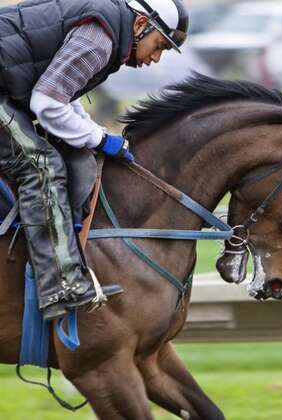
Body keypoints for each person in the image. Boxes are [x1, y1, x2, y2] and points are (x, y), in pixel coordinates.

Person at [0, 0, 189, 321]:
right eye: (159, 46)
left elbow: (63, 97)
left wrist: (95, 133)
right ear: (141, 24)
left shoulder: (105, 31)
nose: (155, 58)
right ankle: (60, 284)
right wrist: (101, 139)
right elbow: (46, 104)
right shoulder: (100, 40)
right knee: (41, 166)